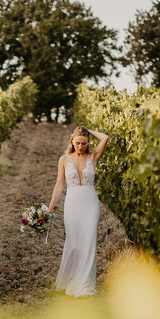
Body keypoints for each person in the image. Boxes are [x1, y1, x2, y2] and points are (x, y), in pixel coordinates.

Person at [48, 125, 109, 297]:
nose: (80, 147)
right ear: (72, 141)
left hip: (90, 203)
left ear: (88, 143)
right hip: (72, 203)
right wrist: (50, 207)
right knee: (74, 242)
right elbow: (59, 185)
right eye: (77, 143)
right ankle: (70, 279)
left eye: (84, 143)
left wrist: (88, 131)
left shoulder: (93, 156)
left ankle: (84, 284)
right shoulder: (64, 159)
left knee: (89, 242)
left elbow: (105, 138)